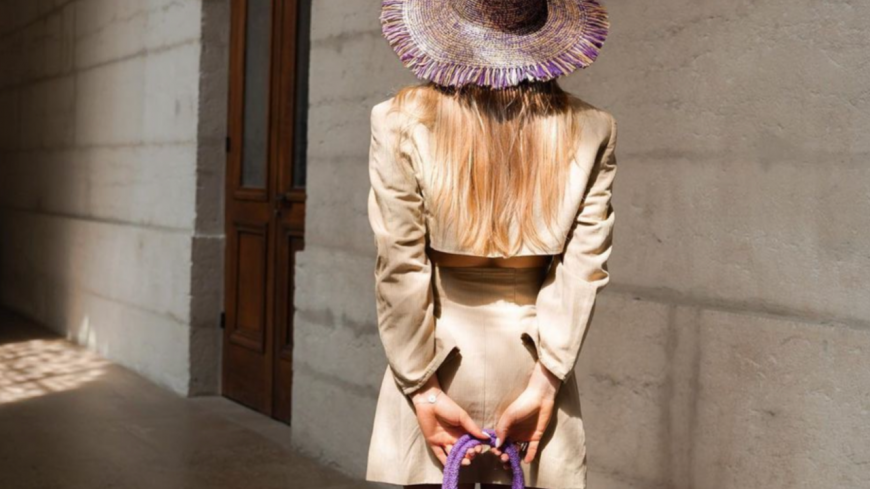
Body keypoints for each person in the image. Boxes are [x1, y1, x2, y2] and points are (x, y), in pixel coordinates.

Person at [365, 1, 616, 488]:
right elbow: (583, 270)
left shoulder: (398, 120)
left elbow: (399, 265)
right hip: (531, 364)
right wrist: (547, 379)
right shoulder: (593, 127)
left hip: (436, 356)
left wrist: (422, 388)